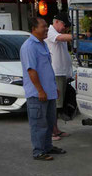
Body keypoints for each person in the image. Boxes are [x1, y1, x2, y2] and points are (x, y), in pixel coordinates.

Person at [20, 16, 66, 161]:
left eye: (46, 26)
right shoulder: (29, 47)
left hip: (49, 92)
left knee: (49, 121)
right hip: (37, 94)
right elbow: (31, 71)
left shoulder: (43, 44)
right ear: (34, 29)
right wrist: (40, 90)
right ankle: (38, 151)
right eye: (43, 27)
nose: (46, 29)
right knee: (39, 124)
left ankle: (47, 146)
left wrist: (53, 88)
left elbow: (47, 68)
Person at [45, 11, 74, 140]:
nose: (65, 28)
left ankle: (55, 129)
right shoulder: (51, 32)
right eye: (64, 25)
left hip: (62, 74)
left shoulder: (59, 33)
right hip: (56, 73)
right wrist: (76, 36)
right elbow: (61, 38)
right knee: (54, 105)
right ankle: (51, 131)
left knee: (59, 104)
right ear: (56, 22)